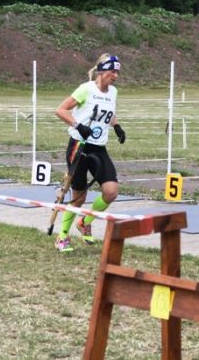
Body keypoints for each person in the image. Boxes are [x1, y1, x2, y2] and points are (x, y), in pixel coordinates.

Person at [53, 53, 126, 252]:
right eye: (112, 71)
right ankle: (62, 237)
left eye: (117, 72)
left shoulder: (113, 92)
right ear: (102, 71)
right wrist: (78, 125)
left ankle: (84, 222)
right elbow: (60, 110)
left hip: (99, 147)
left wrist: (117, 126)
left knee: (111, 191)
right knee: (79, 197)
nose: (116, 76)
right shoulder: (86, 89)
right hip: (79, 146)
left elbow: (109, 112)